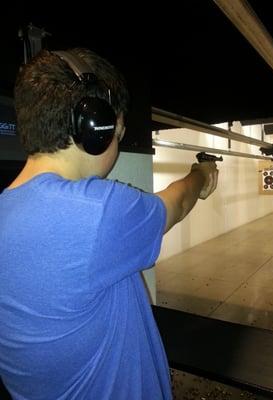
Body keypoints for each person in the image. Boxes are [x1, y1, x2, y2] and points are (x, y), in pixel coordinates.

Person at [0, 48, 219, 400]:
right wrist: (200, 174)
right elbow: (177, 202)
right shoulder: (97, 212)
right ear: (97, 127)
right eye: (117, 128)